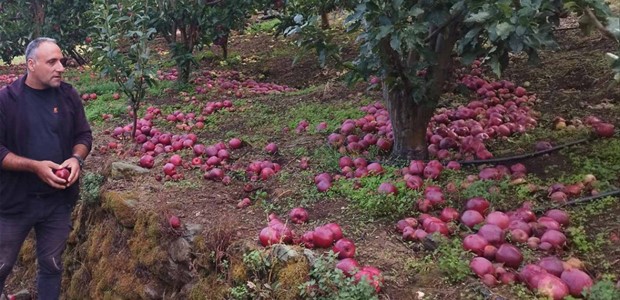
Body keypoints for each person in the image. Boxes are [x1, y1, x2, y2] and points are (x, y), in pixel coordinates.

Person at [0, 37, 92, 299]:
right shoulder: (7, 101)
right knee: (2, 264)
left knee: (51, 266)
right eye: (52, 62)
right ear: (31, 64)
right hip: (14, 203)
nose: (61, 67)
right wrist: (34, 167)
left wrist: (76, 159)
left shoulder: (68, 96)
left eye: (61, 60)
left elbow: (84, 136)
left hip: (57, 202)